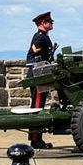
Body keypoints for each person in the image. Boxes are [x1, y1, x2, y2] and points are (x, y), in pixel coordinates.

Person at [26, 11, 55, 149]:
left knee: (39, 104)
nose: (51, 23)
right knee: (37, 106)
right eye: (49, 21)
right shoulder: (39, 37)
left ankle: (36, 138)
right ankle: (35, 139)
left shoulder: (44, 37)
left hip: (41, 73)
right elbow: (35, 57)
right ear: (42, 23)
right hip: (37, 74)